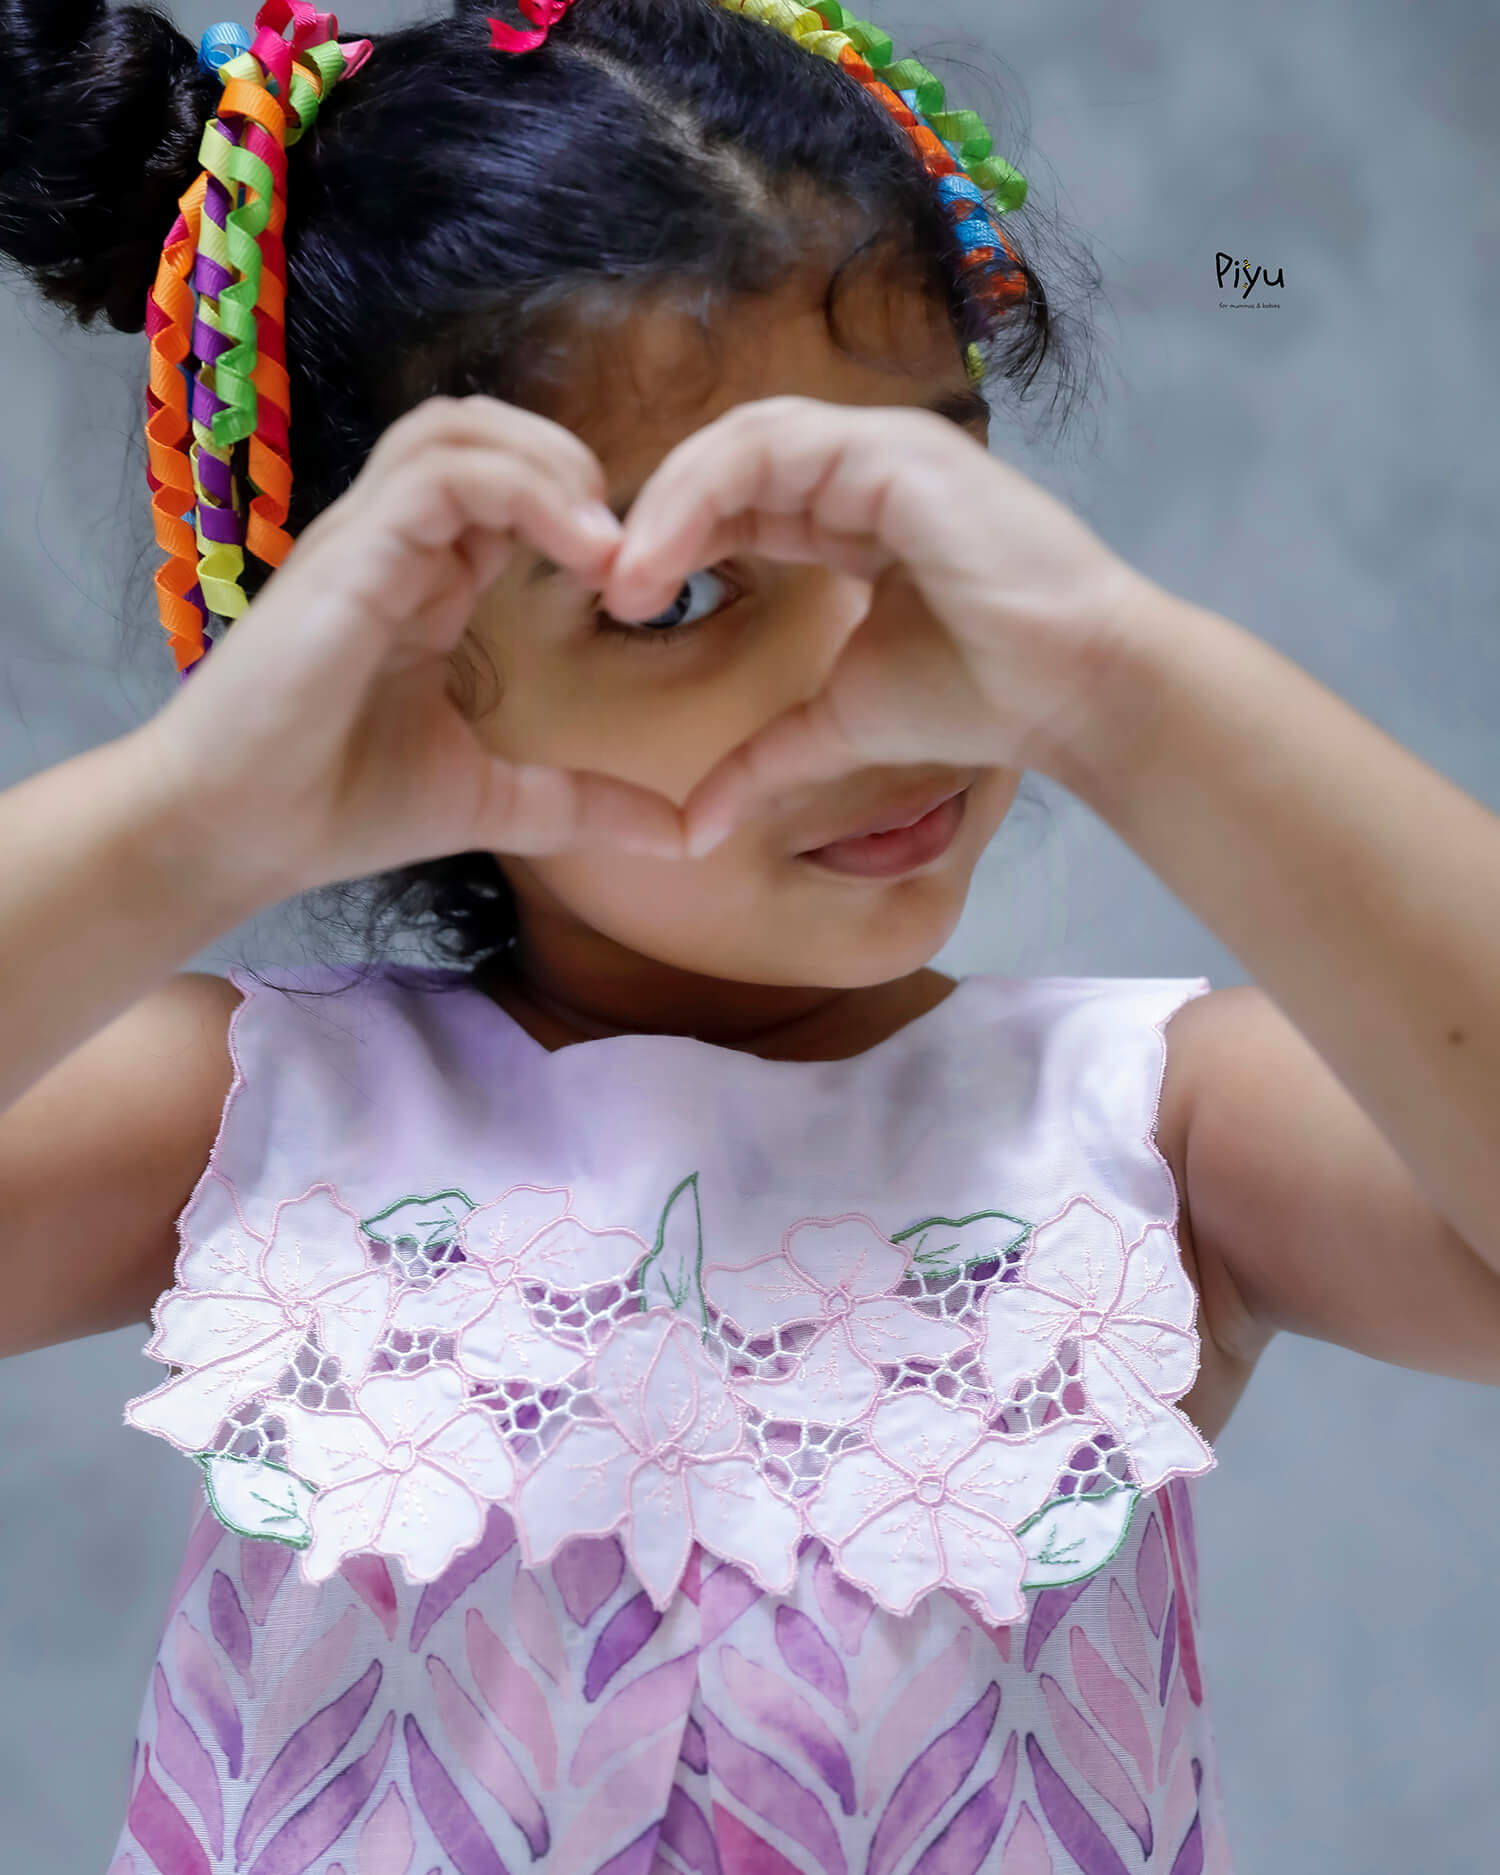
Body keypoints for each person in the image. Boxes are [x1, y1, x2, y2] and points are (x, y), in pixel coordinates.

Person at [1, 1, 1496, 1869]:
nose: (871, 680)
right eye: (683, 590)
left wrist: (1128, 681)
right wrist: (186, 815)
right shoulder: (241, 1120)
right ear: (383, 644)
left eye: (923, 516)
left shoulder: (1157, 1138)